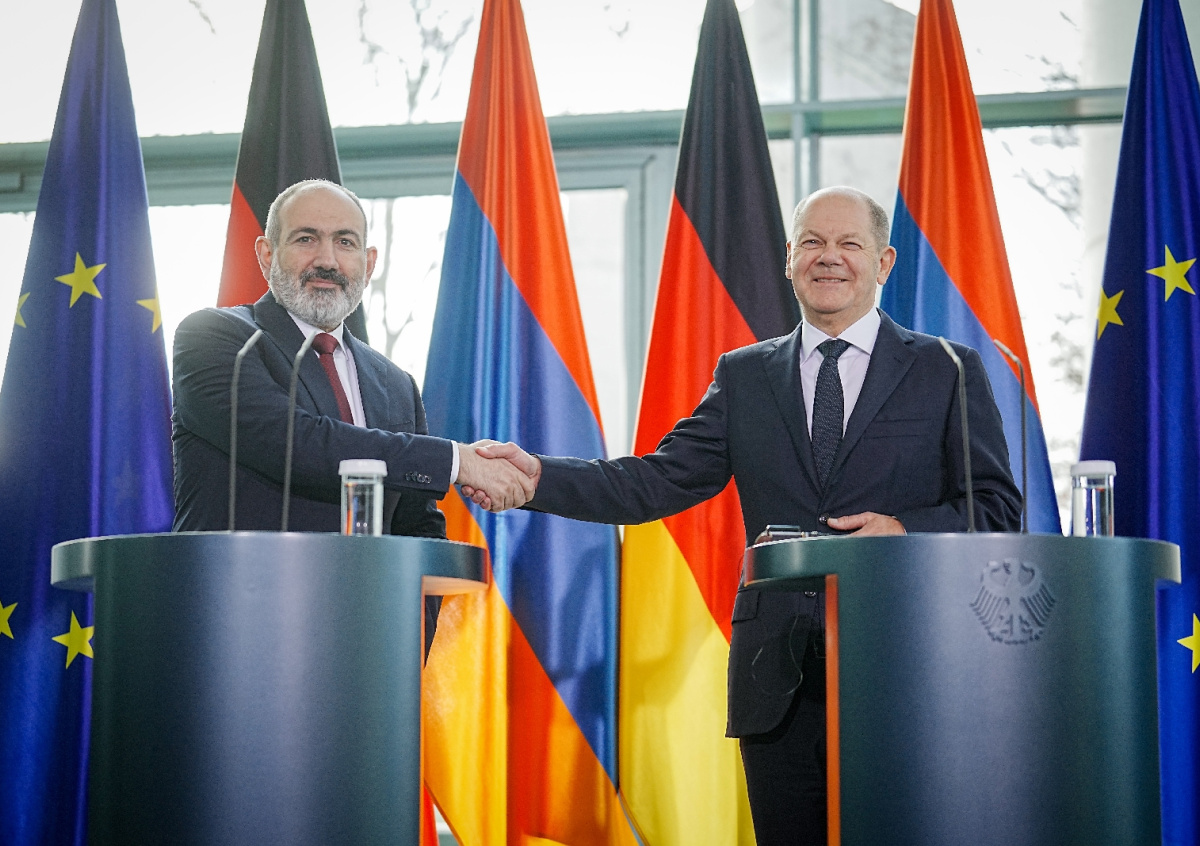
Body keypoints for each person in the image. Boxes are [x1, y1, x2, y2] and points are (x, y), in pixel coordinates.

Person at [465, 186, 1022, 844]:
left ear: (884, 262)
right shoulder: (746, 375)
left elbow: (997, 510)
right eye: (812, 242)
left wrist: (901, 532)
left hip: (906, 666)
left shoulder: (947, 368)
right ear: (789, 258)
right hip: (776, 681)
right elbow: (654, 482)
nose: (829, 257)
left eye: (849, 243)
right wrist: (537, 478)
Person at [171, 180, 534, 641]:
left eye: (345, 242)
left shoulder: (396, 384)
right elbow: (295, 442)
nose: (327, 260)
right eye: (306, 238)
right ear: (266, 254)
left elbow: (418, 528)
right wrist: (456, 461)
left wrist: (403, 653)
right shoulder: (216, 339)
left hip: (367, 649)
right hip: (235, 635)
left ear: (368, 262)